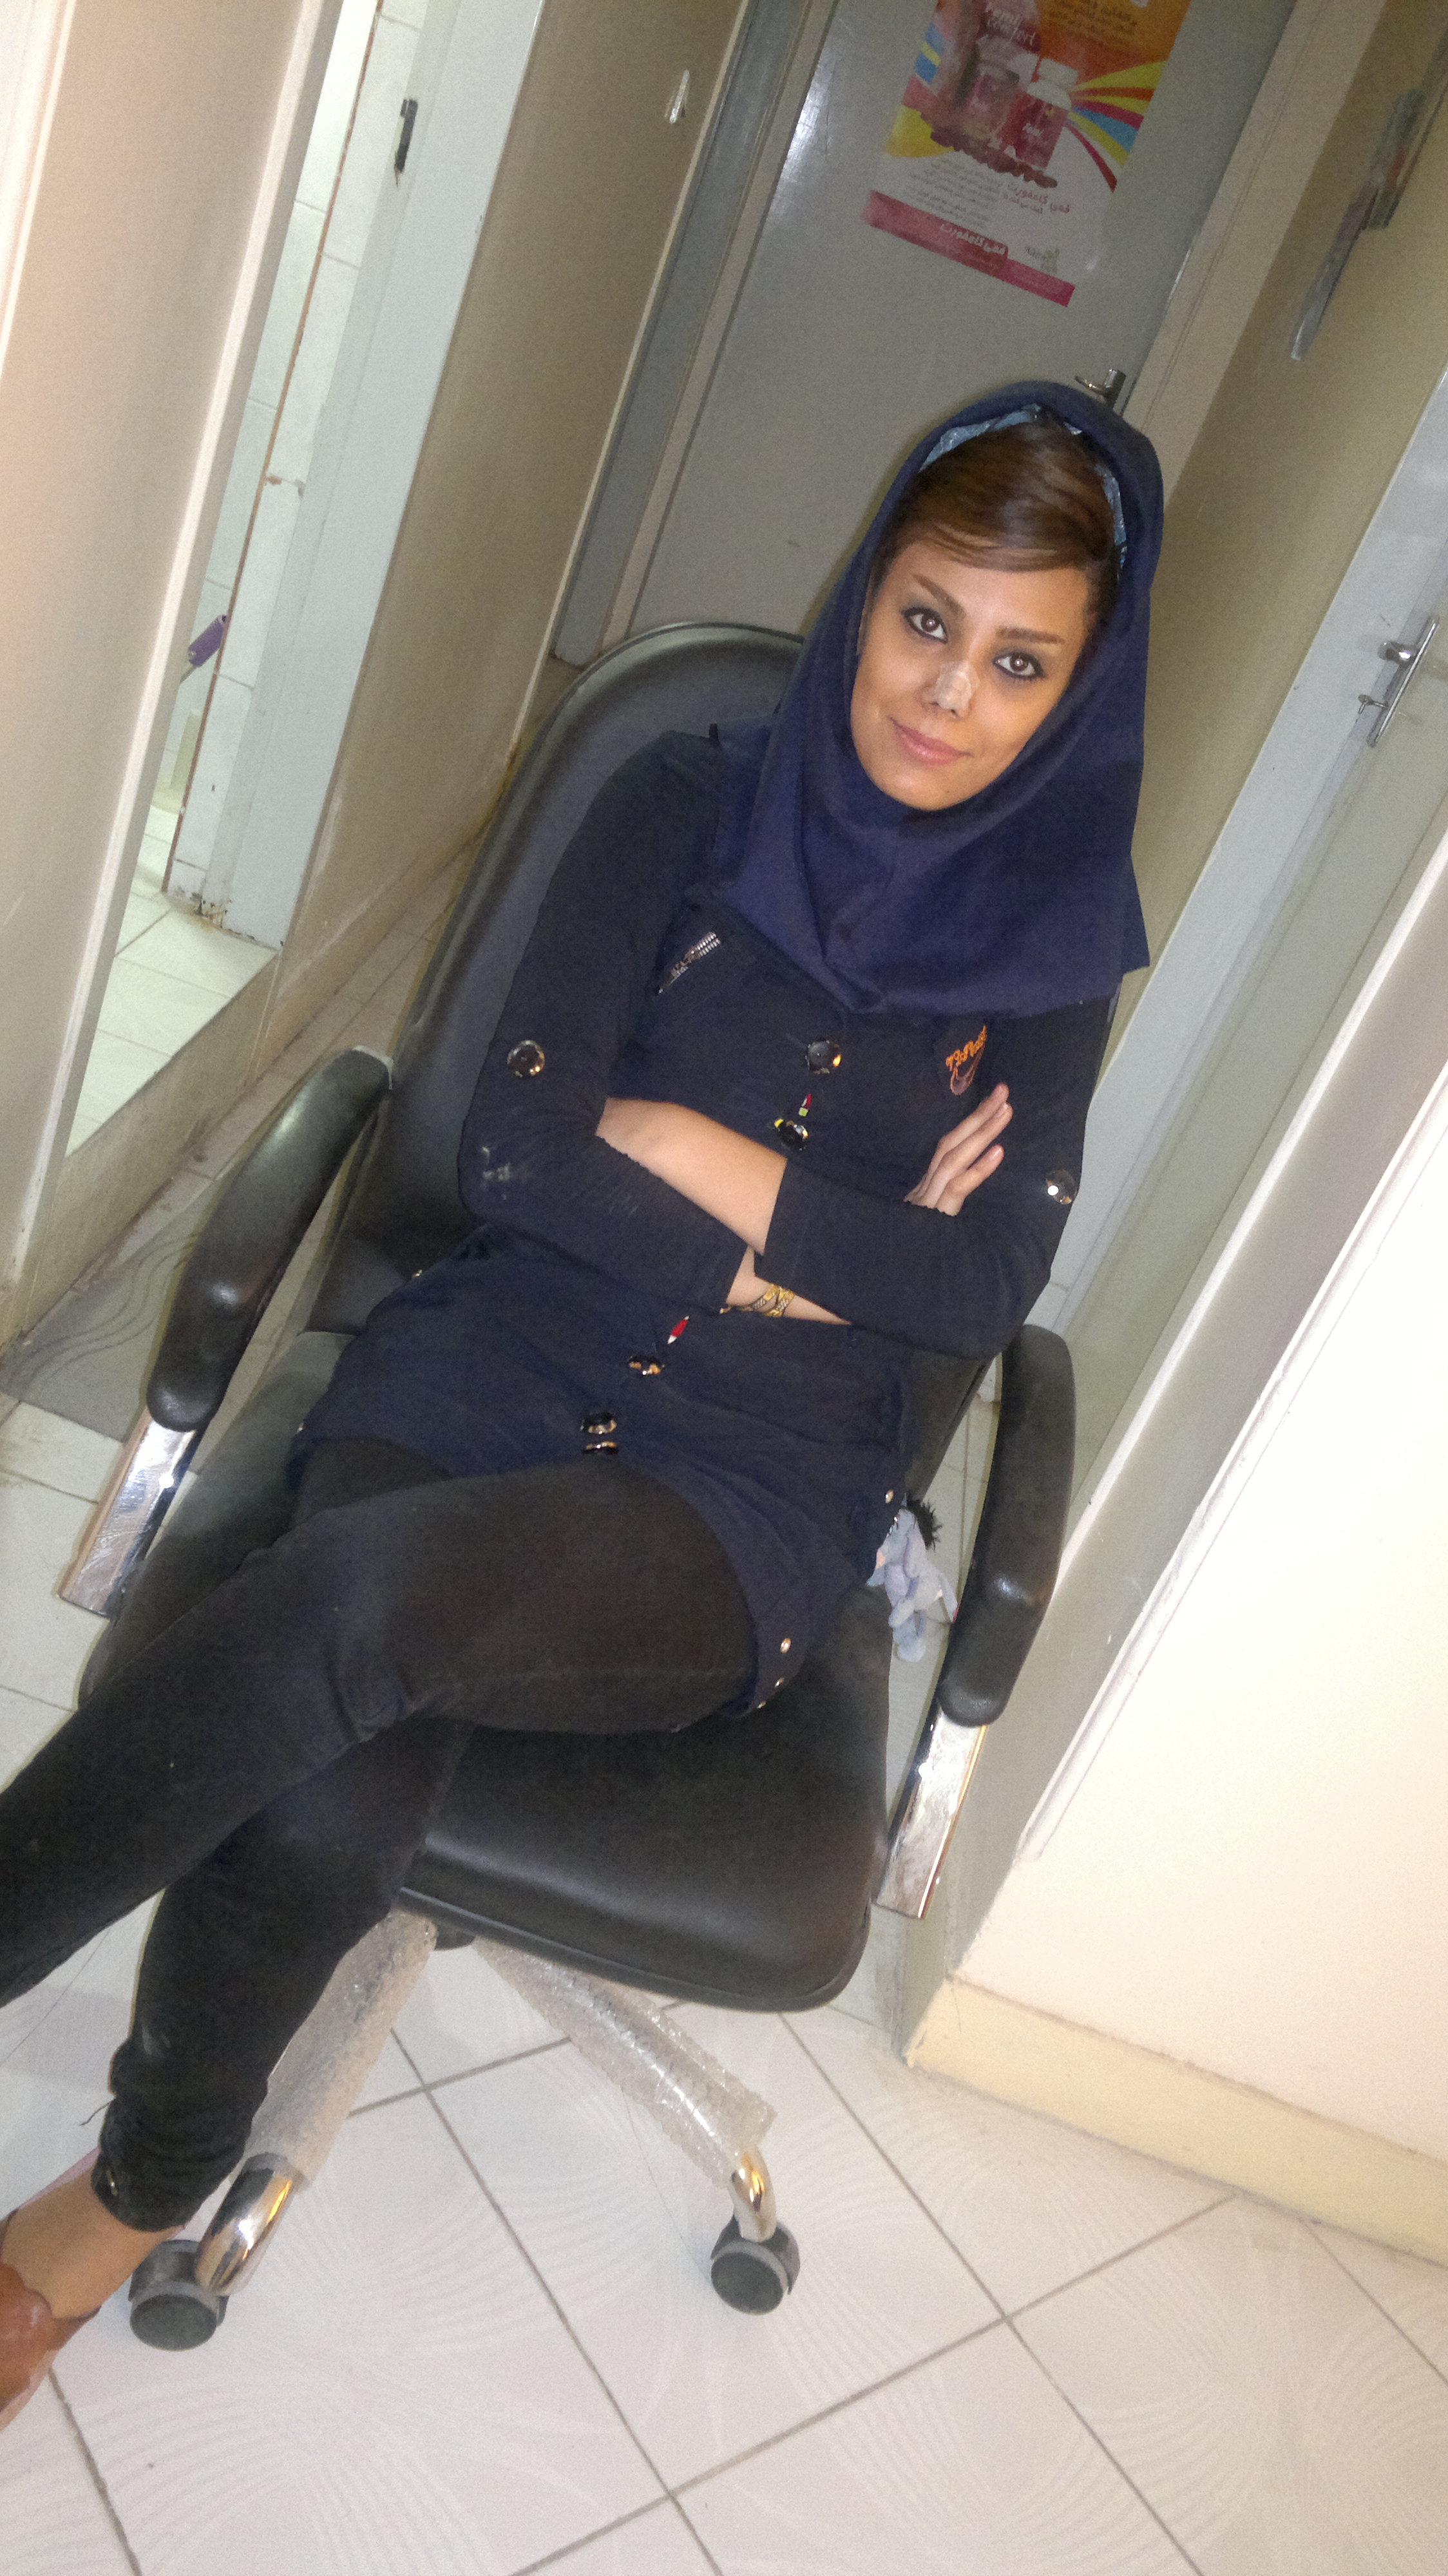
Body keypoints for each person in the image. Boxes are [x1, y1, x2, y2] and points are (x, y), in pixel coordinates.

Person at [0, 380, 1162, 2422]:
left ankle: (110, 2204)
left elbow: (978, 1291)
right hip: (495, 1360)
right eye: (925, 621)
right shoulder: (677, 798)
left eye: (1017, 661)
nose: (946, 695)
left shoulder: (1055, 963)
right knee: (333, 1775)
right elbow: (520, 1152)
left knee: (353, 1614)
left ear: (1079, 689)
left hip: (738, 1504)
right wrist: (823, 1249)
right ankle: (131, 2199)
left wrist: (689, 1144)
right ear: (867, 595)